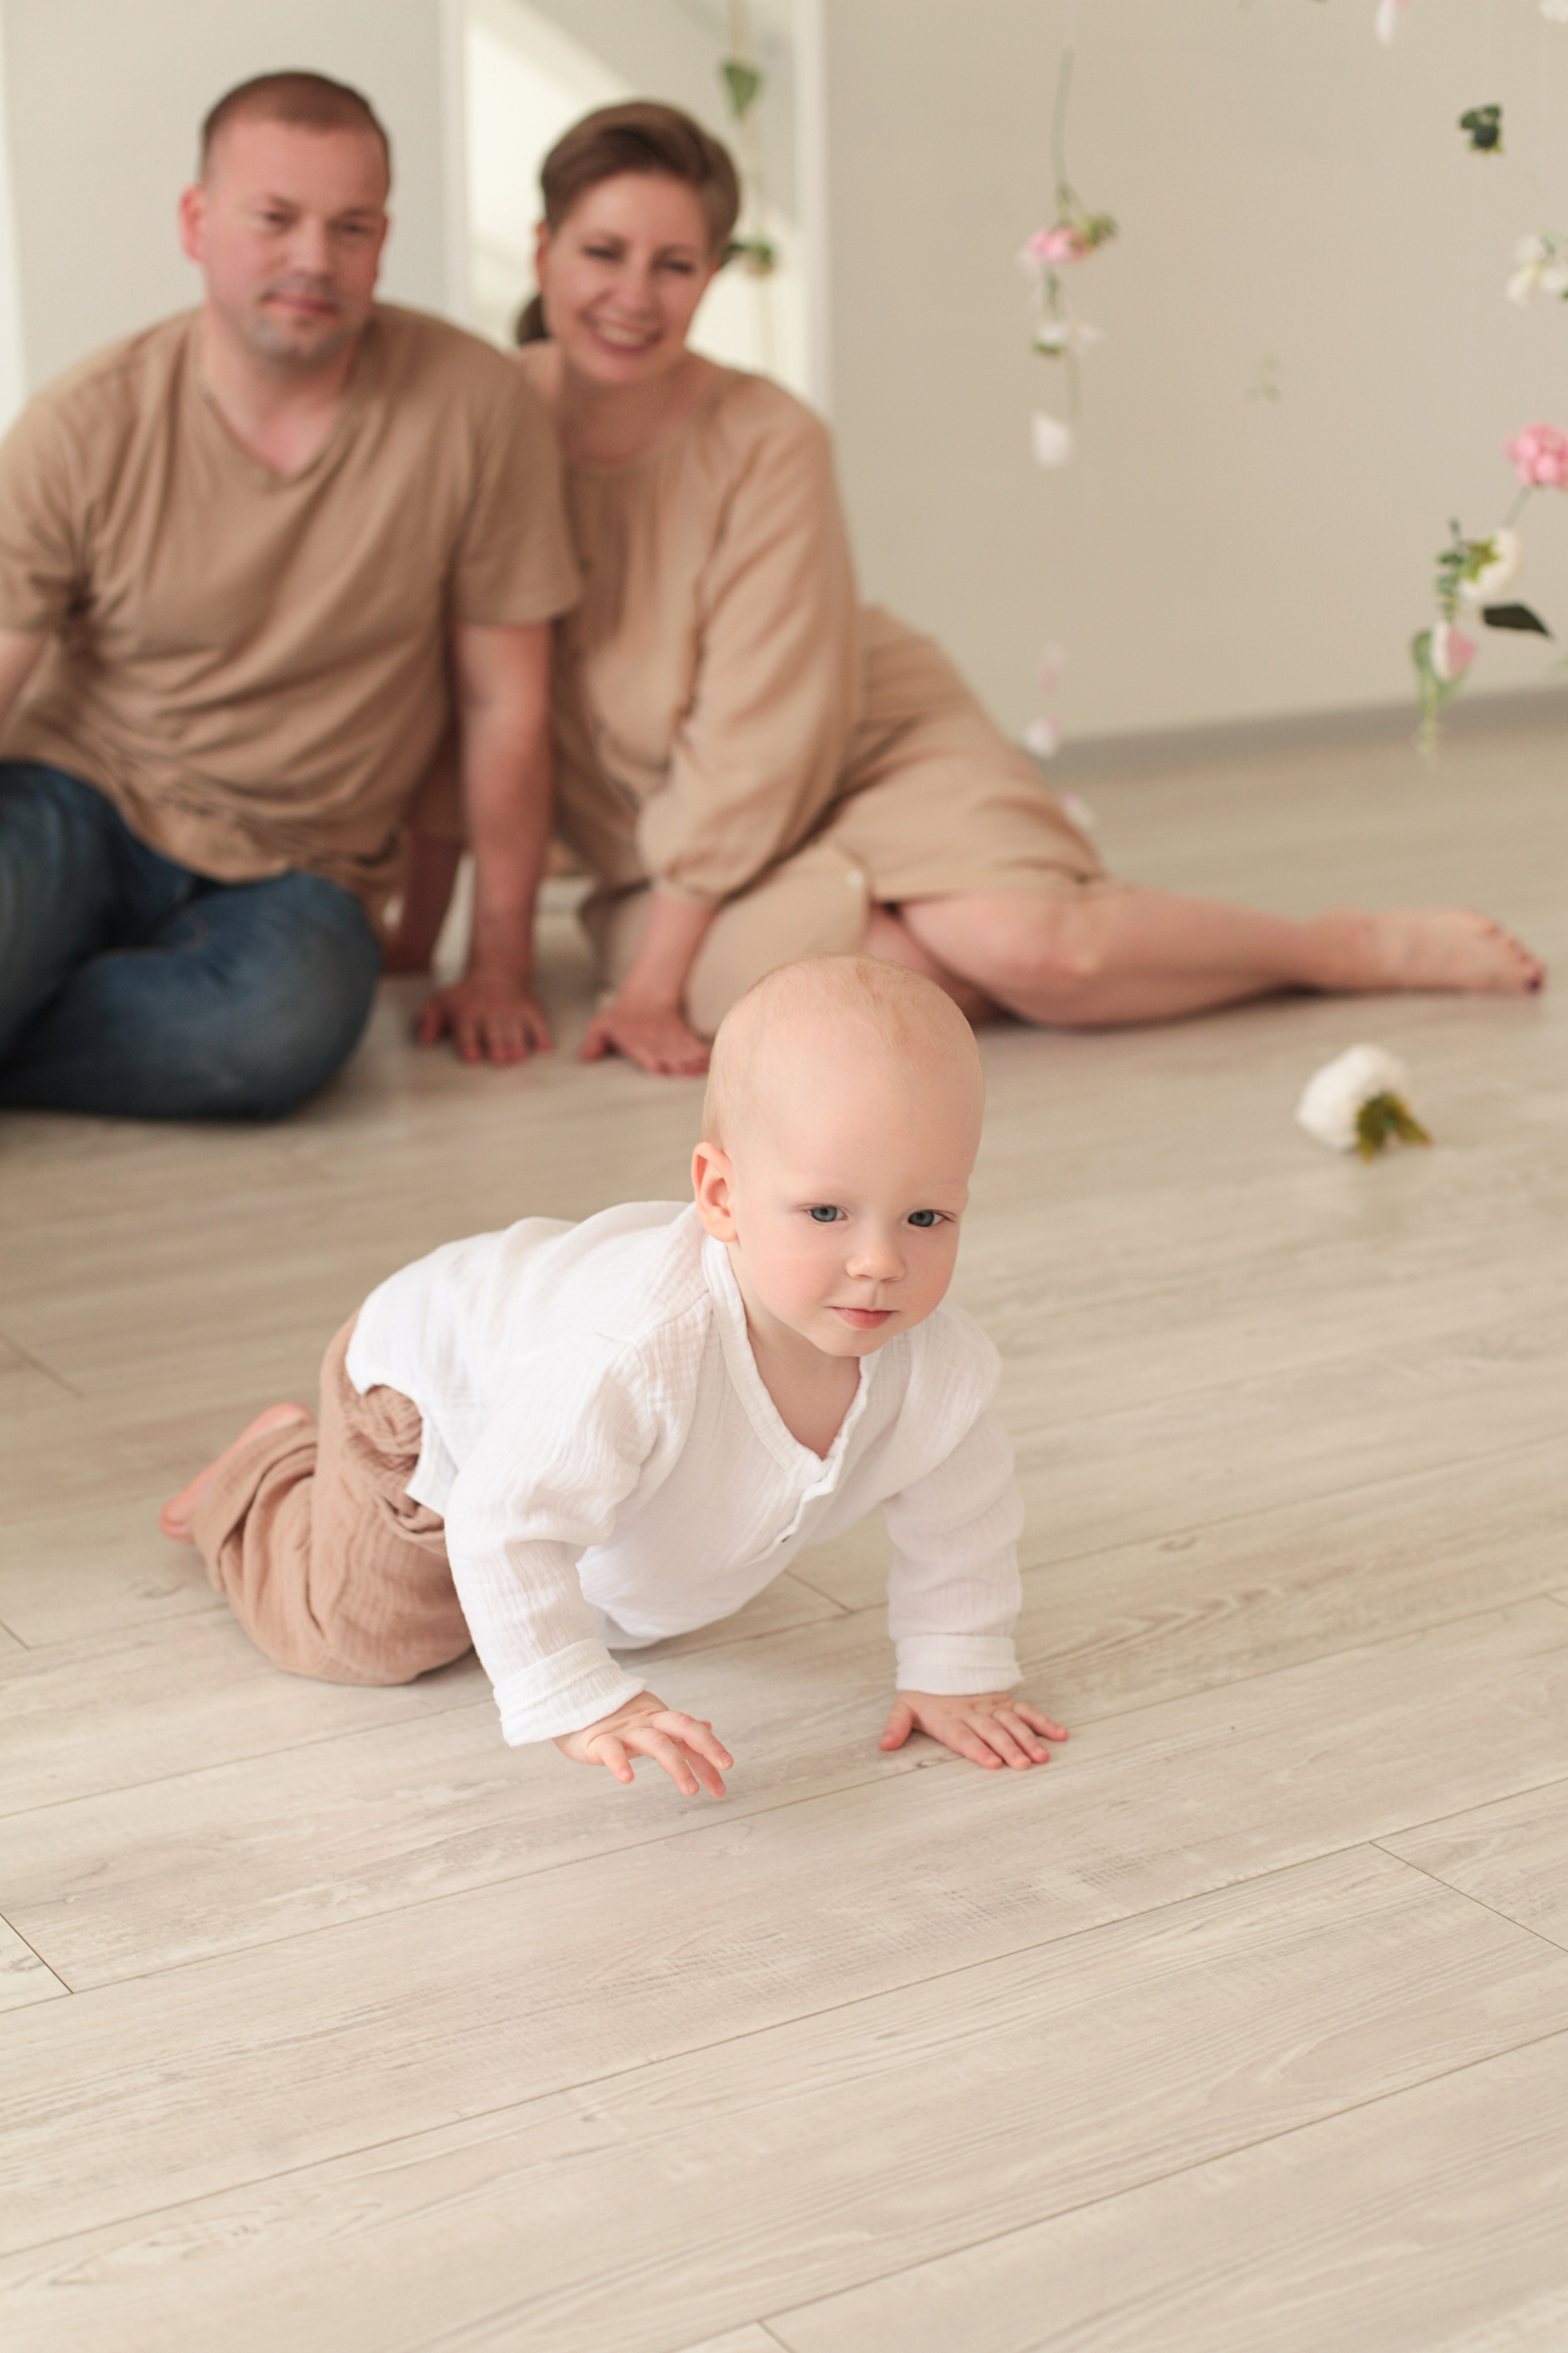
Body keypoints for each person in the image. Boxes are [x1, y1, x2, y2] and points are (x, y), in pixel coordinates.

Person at [394, 101, 1545, 1077]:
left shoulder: (768, 439)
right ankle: (908, 930)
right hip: (662, 835)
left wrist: (647, 989)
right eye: (602, 254)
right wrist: (429, 940)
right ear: (543, 249)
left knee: (1030, 945)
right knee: (887, 1004)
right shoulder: (483, 419)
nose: (633, 297)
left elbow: (758, 740)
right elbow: (457, 693)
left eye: (675, 264)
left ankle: (1330, 950)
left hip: (855, 739)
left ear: (715, 276)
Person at [159, 956, 1068, 1791]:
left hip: (552, 1413)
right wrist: (582, 1694)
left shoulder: (936, 1368)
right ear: (721, 1197)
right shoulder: (635, 1352)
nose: (880, 1261)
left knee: (608, 1574)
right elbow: (505, 1520)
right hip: (432, 1403)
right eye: (827, 1210)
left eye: (926, 1218)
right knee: (368, 1634)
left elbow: (965, 1518)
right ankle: (270, 1472)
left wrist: (956, 1664)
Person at [0, 70, 579, 1120]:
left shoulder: (475, 407)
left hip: (303, 861)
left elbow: (507, 703)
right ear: (197, 220)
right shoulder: (84, 421)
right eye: (276, 219)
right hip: (83, 797)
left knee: (275, 1032)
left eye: (350, 228)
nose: (315, 258)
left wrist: (498, 961)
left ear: (382, 241)